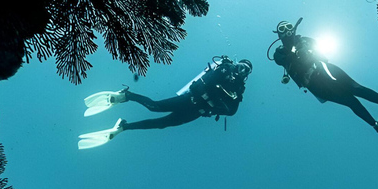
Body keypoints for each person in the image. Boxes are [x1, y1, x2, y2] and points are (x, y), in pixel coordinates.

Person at [270, 18, 378, 150]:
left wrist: (303, 49)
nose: (287, 30)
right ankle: (376, 125)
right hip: (314, 84)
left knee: (355, 88)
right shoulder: (279, 53)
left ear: (294, 27)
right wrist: (293, 52)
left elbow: (317, 49)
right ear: (278, 34)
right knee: (350, 102)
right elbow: (281, 60)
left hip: (322, 68)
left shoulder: (305, 40)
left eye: (289, 26)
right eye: (282, 29)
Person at [78, 56, 252, 149]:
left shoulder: (238, 90)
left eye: (246, 70)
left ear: (247, 75)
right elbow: (212, 78)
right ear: (236, 64)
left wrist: (217, 108)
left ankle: (123, 127)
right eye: (242, 66)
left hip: (196, 112)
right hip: (190, 100)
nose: (242, 70)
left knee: (161, 124)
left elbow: (232, 111)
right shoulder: (224, 69)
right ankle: (126, 95)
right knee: (154, 107)